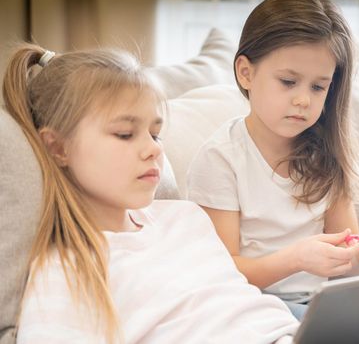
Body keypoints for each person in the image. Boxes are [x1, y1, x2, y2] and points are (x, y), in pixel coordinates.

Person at [186, 0, 359, 343]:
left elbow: (347, 251)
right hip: (257, 306)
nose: (303, 100)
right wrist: (297, 258)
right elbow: (222, 273)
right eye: (288, 82)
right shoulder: (222, 158)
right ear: (246, 72)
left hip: (322, 303)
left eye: (318, 86)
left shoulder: (326, 153)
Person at [4, 44, 298, 344]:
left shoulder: (187, 217)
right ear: (58, 147)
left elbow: (240, 307)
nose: (155, 149)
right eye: (125, 134)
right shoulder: (68, 270)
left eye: (155, 133)